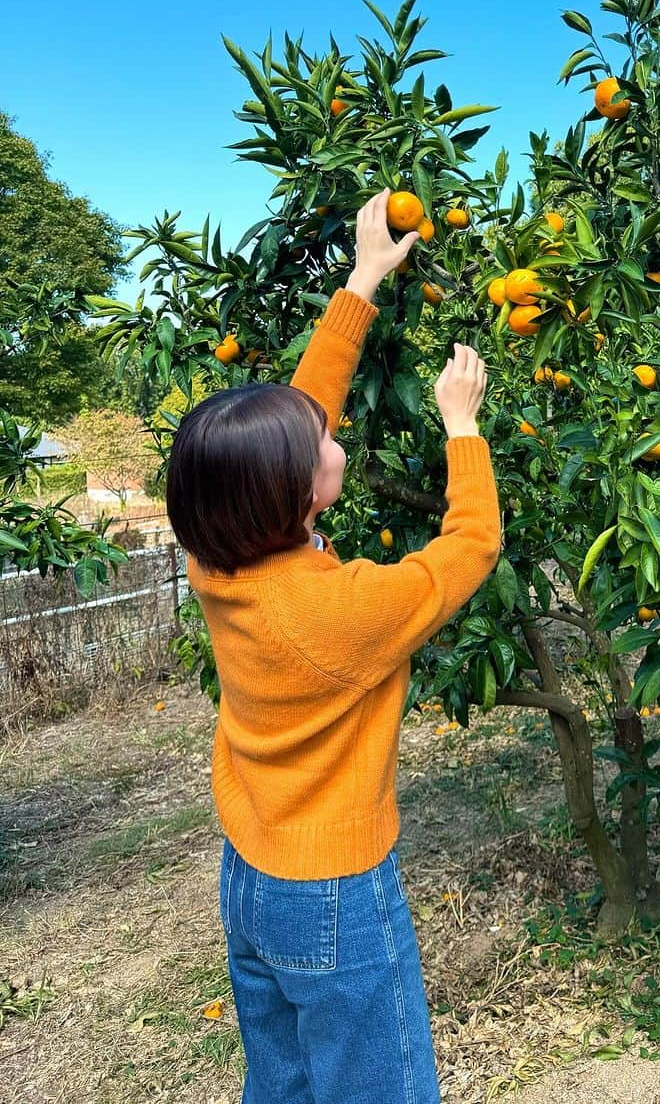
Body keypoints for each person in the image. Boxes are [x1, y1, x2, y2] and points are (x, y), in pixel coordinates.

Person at [165, 187, 501, 1103]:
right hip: (333, 896)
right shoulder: (336, 613)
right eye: (319, 444)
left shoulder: (217, 554)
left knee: (284, 1084)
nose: (327, 427)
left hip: (252, 872)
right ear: (296, 494)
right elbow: (467, 550)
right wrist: (461, 429)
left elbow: (305, 405)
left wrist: (362, 280)